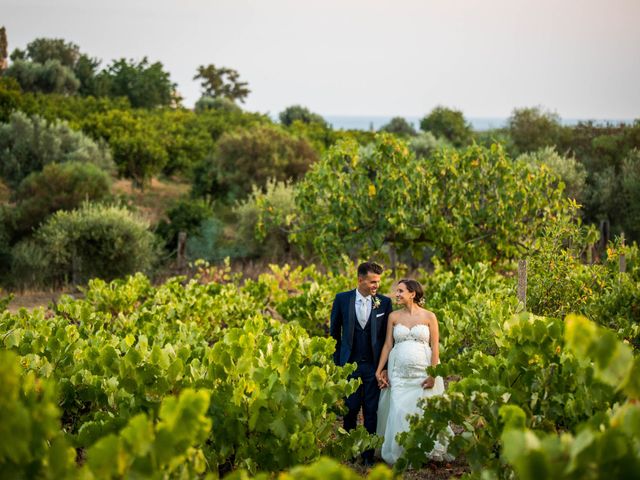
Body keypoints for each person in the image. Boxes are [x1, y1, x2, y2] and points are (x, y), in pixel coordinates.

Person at [375, 279, 452, 465]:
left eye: (401, 291)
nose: (397, 294)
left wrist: (433, 374)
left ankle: (425, 451)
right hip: (399, 373)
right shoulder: (393, 316)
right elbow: (387, 345)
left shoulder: (429, 317)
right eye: (397, 291)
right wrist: (379, 370)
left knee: (423, 408)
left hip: (423, 372)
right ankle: (400, 453)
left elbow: (435, 346)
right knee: (398, 409)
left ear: (413, 294)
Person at [330, 261, 393, 466]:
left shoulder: (384, 302)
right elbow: (334, 335)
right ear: (360, 280)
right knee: (350, 410)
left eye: (378, 282)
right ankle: (348, 452)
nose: (376, 285)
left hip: (373, 367)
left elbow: (386, 339)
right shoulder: (342, 299)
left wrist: (383, 368)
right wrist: (338, 365)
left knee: (371, 411)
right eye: (372, 281)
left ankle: (367, 456)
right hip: (350, 365)